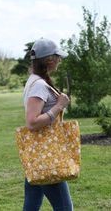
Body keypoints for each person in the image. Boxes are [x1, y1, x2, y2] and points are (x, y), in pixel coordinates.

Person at [22, 38, 73, 211]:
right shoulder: (39, 86)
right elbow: (32, 122)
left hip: (37, 154)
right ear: (50, 59)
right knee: (65, 208)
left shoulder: (34, 81)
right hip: (47, 157)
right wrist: (59, 106)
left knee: (31, 205)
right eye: (58, 56)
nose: (60, 59)